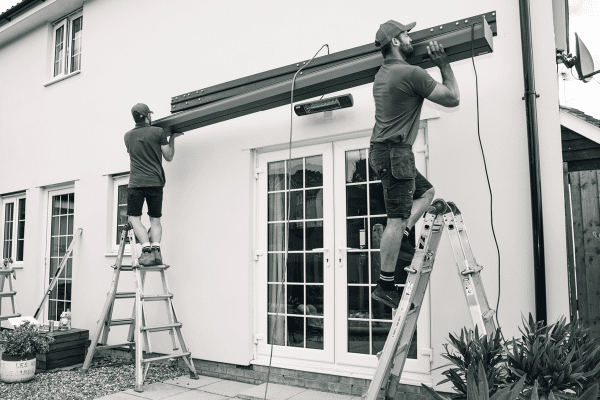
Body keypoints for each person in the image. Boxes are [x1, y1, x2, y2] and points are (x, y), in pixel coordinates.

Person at [369, 20, 460, 309]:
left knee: (427, 193)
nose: (411, 39)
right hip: (396, 153)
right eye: (406, 34)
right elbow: (453, 98)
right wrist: (444, 65)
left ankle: (406, 233)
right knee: (394, 219)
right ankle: (384, 285)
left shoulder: (382, 74)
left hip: (385, 153)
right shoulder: (410, 73)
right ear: (395, 41)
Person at [124, 103, 183, 266]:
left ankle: (146, 250)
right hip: (155, 183)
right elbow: (169, 156)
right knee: (155, 220)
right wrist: (172, 138)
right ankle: (156, 253)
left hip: (136, 184)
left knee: (134, 219)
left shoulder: (127, 136)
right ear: (148, 116)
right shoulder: (159, 132)